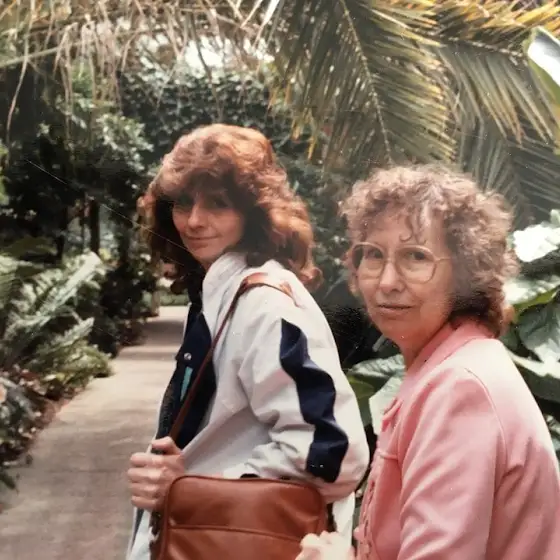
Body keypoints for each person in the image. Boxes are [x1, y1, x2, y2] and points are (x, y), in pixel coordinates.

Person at [125, 124, 370, 559]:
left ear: (254, 213)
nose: (194, 221)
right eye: (183, 202)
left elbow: (334, 454)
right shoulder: (223, 293)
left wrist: (190, 490)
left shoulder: (264, 305)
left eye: (218, 204)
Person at [297, 164, 560, 560]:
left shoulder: (461, 388)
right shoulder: (449, 364)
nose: (387, 281)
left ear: (466, 274)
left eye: (415, 257)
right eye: (373, 255)